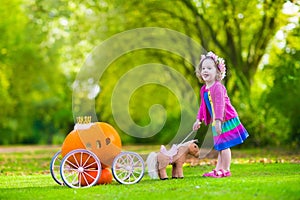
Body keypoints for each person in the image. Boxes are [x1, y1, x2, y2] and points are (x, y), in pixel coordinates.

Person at [193, 51, 249, 178]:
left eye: (209, 68)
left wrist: (218, 121)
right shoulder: (204, 89)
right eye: (203, 68)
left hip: (225, 119)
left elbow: (220, 105)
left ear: (217, 72)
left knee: (225, 146)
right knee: (220, 146)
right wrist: (198, 120)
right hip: (216, 121)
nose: (205, 70)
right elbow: (203, 106)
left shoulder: (218, 87)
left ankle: (226, 170)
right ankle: (218, 169)